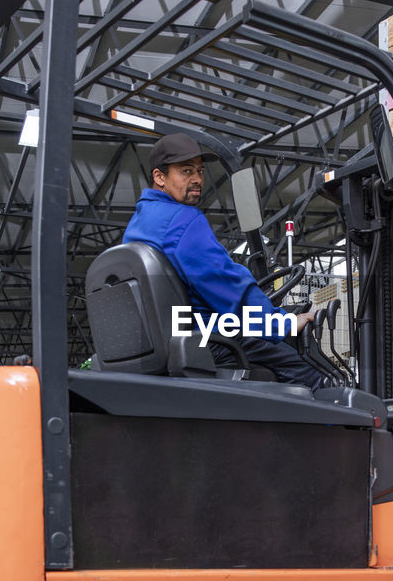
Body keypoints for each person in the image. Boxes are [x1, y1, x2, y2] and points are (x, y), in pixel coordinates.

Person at [122, 132, 328, 390]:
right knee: (306, 370)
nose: (197, 179)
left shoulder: (137, 225)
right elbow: (227, 286)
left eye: (200, 171)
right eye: (186, 171)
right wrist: (281, 322)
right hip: (207, 339)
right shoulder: (182, 221)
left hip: (167, 339)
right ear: (159, 177)